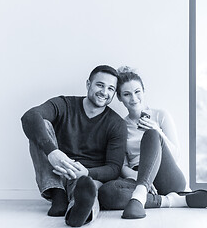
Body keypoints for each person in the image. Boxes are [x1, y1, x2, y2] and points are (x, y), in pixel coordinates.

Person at [98, 67, 207, 219]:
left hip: (167, 175)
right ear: (119, 98)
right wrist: (143, 180)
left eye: (137, 92)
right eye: (127, 94)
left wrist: (158, 131)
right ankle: (172, 200)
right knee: (106, 193)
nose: (134, 98)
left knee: (151, 135)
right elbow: (123, 166)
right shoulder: (120, 126)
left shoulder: (161, 115)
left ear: (144, 91)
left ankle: (139, 195)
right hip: (138, 178)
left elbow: (176, 156)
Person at [21, 65, 127, 227]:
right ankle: (58, 195)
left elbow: (114, 168)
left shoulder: (116, 124)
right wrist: (53, 152)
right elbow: (29, 116)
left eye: (111, 89)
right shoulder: (64, 104)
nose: (104, 92)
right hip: (56, 170)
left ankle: (77, 213)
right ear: (88, 84)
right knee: (39, 125)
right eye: (100, 85)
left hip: (85, 177)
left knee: (88, 191)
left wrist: (86, 172)